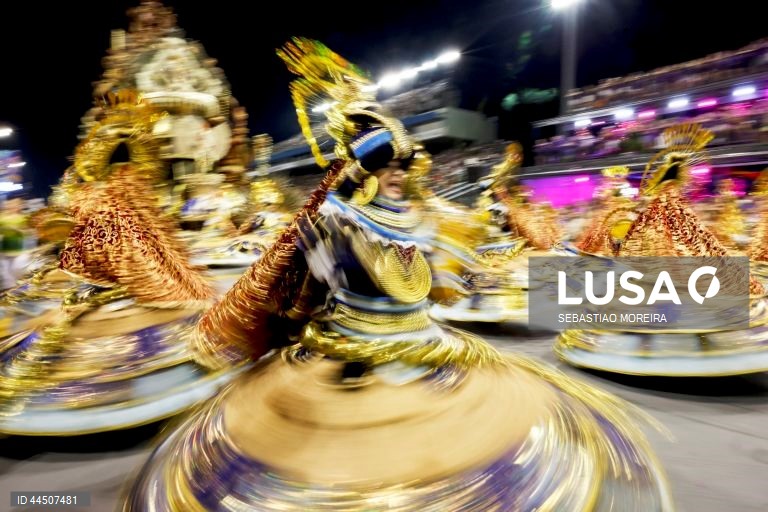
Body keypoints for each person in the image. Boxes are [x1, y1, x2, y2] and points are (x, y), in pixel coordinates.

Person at [123, 39, 672, 511]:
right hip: (354, 342)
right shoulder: (336, 217)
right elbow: (317, 279)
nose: (396, 176)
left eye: (399, 168)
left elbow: (437, 270)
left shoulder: (411, 215)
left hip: (420, 338)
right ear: (363, 169)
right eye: (385, 167)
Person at [0, 92, 238, 435]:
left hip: (118, 248)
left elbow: (120, 184)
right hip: (110, 242)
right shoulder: (114, 189)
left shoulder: (119, 187)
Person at [556, 124, 768, 376]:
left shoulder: (669, 197)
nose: (689, 176)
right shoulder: (664, 196)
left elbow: (655, 191)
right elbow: (656, 193)